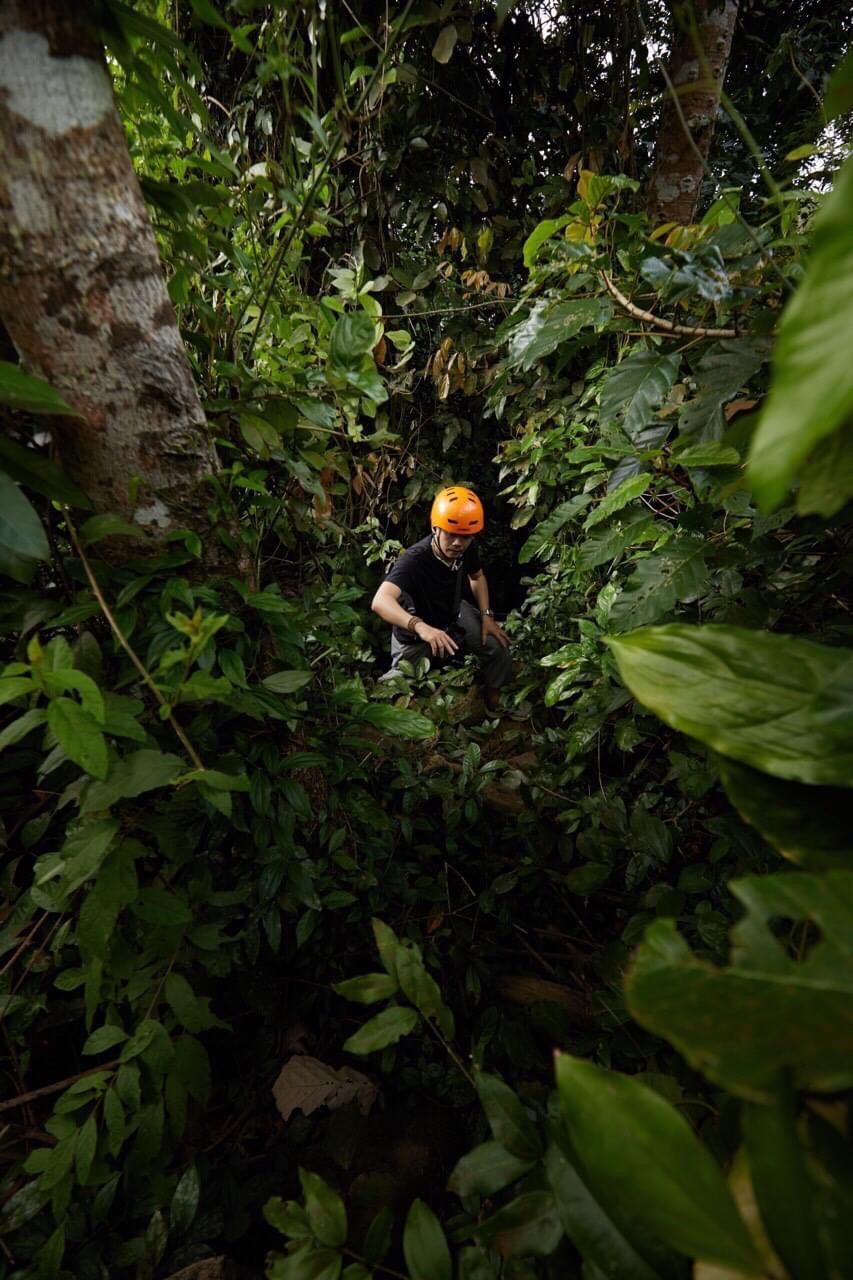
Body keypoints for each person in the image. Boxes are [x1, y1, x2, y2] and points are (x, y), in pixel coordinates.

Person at [371, 486, 512, 711]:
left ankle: (496, 697)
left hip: (452, 613)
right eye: (451, 534)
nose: (458, 543)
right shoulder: (415, 559)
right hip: (415, 635)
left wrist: (486, 615)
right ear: (436, 529)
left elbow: (477, 577)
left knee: (496, 645)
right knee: (394, 691)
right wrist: (420, 627)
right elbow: (380, 601)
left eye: (465, 537)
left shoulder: (466, 548)